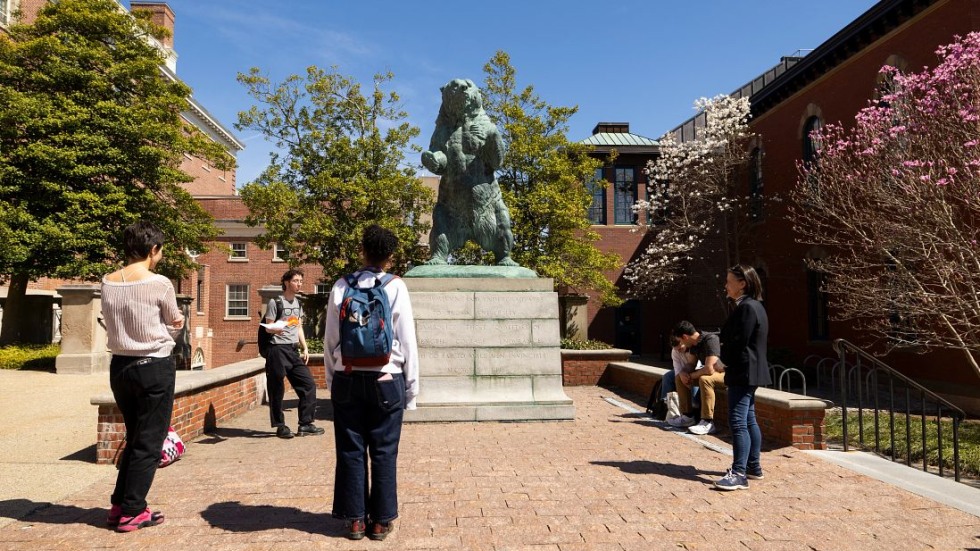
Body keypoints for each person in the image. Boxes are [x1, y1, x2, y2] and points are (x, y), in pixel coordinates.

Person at [324, 225, 419, 541]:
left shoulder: (341, 286)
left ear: (362, 251)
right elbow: (408, 341)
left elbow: (330, 341)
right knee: (384, 451)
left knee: (350, 450)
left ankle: (354, 520)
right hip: (386, 378)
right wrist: (411, 390)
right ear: (389, 256)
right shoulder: (395, 287)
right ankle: (380, 521)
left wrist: (332, 379)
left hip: (347, 378)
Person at [101, 221, 184, 532]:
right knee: (149, 443)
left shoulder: (107, 281)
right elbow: (174, 323)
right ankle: (134, 511)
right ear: (153, 250)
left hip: (120, 367)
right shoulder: (159, 283)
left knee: (135, 437)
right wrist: (177, 323)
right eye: (160, 251)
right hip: (153, 367)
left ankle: (119, 504)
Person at [715, 264, 771, 491]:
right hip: (752, 372)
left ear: (742, 284)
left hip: (743, 372)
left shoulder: (747, 308)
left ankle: (739, 473)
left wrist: (722, 361)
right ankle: (753, 467)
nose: (726, 285)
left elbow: (739, 342)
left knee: (738, 421)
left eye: (729, 281)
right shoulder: (756, 306)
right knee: (749, 419)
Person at [264, 269, 324, 439]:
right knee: (277, 389)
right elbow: (268, 328)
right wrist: (277, 328)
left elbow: (298, 327)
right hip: (277, 350)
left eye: (300, 281)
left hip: (293, 350)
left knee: (308, 385)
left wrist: (305, 347)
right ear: (286, 282)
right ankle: (280, 426)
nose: (299, 284)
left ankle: (305, 424)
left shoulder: (298, 303)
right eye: (296, 281)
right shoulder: (275, 302)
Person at [669, 321, 726, 435]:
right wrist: (683, 373)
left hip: (728, 373)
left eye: (680, 341)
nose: (680, 344)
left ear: (685, 337)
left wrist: (690, 376)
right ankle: (687, 417)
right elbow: (691, 364)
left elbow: (709, 369)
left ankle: (708, 422)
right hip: (715, 372)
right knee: (679, 378)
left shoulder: (710, 339)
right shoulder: (694, 344)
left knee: (705, 379)